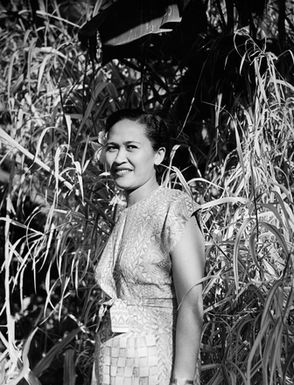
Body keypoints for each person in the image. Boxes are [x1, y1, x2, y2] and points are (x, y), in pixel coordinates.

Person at [91, 109, 205, 385]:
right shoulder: (125, 214)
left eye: (131, 147)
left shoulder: (173, 207)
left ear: (159, 155)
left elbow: (191, 302)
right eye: (112, 148)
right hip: (113, 364)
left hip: (154, 367)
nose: (119, 159)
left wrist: (183, 380)